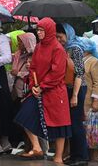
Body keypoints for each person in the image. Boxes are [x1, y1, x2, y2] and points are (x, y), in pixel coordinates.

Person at [14, 18, 71, 163]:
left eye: (41, 30)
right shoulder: (39, 47)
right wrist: (33, 84)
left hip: (55, 91)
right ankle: (37, 147)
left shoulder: (58, 49)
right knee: (24, 115)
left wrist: (42, 86)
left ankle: (58, 158)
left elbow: (57, 73)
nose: (38, 33)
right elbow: (32, 67)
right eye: (38, 30)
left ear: (49, 31)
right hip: (38, 89)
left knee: (60, 124)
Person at [56, 23, 89, 166]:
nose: (59, 39)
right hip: (68, 89)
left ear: (68, 34)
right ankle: (75, 155)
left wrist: (74, 95)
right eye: (57, 37)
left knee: (76, 124)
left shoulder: (75, 48)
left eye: (61, 37)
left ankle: (81, 157)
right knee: (71, 124)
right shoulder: (65, 49)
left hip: (77, 89)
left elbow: (79, 73)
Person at [9, 32, 37, 150]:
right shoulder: (18, 54)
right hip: (16, 89)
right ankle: (22, 143)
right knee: (16, 115)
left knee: (25, 117)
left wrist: (19, 73)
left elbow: (35, 73)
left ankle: (31, 145)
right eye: (19, 41)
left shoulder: (34, 56)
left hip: (27, 90)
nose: (19, 44)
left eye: (21, 42)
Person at [81, 38, 98, 162]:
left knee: (93, 132)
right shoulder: (82, 61)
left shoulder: (94, 62)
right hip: (83, 101)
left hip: (90, 102)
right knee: (86, 131)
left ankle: (94, 159)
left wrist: (96, 101)